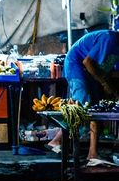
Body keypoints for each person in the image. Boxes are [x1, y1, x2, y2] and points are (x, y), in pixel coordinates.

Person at [47, 29, 119, 159]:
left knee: (95, 109)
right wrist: (104, 83)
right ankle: (57, 140)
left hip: (92, 71)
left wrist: (111, 88)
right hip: (77, 65)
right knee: (81, 106)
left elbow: (111, 72)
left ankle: (92, 153)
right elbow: (87, 62)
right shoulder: (109, 38)